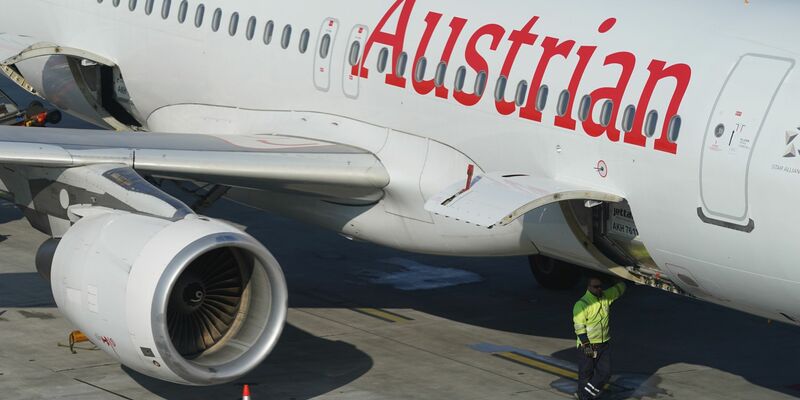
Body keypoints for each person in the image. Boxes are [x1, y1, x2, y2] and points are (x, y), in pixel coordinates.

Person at [573, 276, 626, 399]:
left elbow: (620, 289)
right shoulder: (582, 305)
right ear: (589, 287)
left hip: (604, 344)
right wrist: (586, 345)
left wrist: (619, 279)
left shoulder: (605, 297)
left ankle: (584, 395)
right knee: (586, 374)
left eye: (600, 286)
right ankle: (585, 396)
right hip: (588, 345)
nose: (599, 289)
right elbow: (579, 327)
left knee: (605, 373)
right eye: (596, 287)